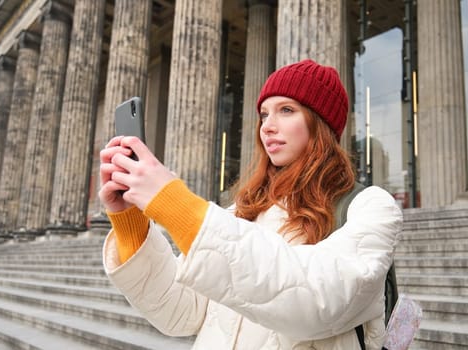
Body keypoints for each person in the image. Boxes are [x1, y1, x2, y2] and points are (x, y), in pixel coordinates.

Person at [98, 59, 403, 349]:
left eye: (286, 110)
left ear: (320, 123)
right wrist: (132, 225)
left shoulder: (370, 206)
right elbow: (180, 313)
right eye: (264, 114)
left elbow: (318, 300)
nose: (268, 126)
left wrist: (176, 204)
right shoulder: (242, 211)